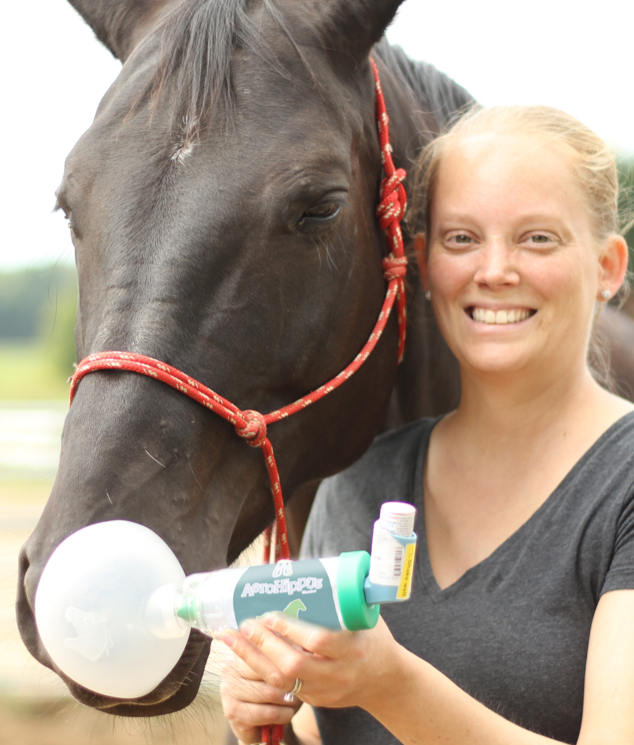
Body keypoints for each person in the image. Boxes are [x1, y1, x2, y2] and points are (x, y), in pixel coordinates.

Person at [218, 105, 634, 745]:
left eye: (537, 238)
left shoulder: (622, 483)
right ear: (422, 263)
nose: (494, 270)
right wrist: (260, 724)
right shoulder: (359, 483)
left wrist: (390, 685)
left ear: (608, 268)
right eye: (461, 238)